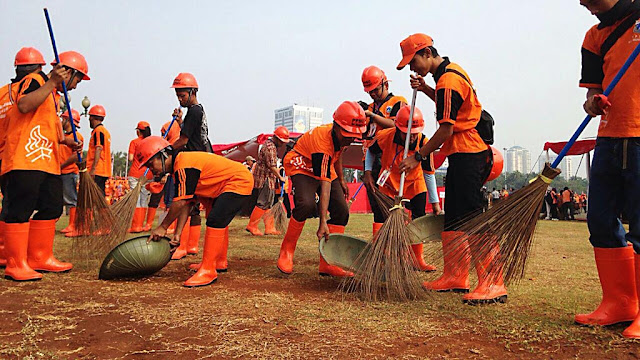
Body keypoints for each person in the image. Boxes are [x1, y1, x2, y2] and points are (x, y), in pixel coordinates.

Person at [397, 33, 506, 304]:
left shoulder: (448, 80)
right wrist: (425, 89)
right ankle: (456, 276)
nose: (412, 68)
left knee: (472, 217)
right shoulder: (448, 74)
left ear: (427, 53)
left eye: (413, 62)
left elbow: (445, 129)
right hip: (461, 155)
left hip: (470, 154)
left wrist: (419, 156)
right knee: (455, 218)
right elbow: (450, 107)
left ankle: (494, 283)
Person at [575, 0, 640, 338]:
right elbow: (591, 95)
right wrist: (594, 103)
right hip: (609, 137)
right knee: (600, 219)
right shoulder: (593, 36)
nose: (583, 4)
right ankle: (620, 302)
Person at [0, 51, 87, 281]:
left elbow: (46, 125)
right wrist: (51, 81)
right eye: (77, 80)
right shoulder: (36, 80)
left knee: (52, 206)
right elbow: (24, 105)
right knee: (19, 209)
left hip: (46, 161)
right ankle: (15, 264)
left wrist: (67, 140)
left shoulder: (52, 95)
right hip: (24, 158)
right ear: (67, 72)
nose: (76, 86)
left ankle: (40, 257)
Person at [141, 136, 253, 287]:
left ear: (163, 155)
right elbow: (187, 203)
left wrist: (163, 227)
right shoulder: (179, 168)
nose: (151, 168)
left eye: (151, 163)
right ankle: (218, 262)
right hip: (228, 183)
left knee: (216, 219)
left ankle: (208, 270)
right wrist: (177, 235)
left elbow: (179, 202)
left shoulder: (183, 164)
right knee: (215, 218)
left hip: (238, 181)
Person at [277, 101, 367, 277]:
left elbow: (338, 155)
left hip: (326, 165)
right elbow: (324, 184)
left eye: (354, 135)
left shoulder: (342, 137)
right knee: (306, 204)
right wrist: (322, 222)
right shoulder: (322, 141)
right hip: (302, 164)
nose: (351, 138)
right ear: (337, 126)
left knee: (341, 210)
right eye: (348, 134)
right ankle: (286, 251)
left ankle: (328, 262)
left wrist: (341, 180)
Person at [364, 105, 436, 272]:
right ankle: (381, 258)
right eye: (406, 133)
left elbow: (429, 172)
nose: (411, 137)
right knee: (382, 218)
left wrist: (435, 203)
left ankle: (416, 259)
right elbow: (370, 152)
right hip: (389, 184)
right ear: (397, 128)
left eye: (414, 133)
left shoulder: (424, 143)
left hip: (415, 184)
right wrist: (367, 172)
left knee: (418, 220)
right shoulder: (385, 136)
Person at [0, 47, 49, 267]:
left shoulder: (4, 91)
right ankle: (12, 260)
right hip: (16, 152)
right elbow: (24, 107)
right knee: (16, 206)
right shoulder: (32, 85)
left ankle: (8, 255)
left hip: (9, 152)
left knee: (11, 203)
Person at [166, 73, 212, 259]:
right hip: (198, 159)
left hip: (193, 162)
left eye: (182, 95)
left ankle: (183, 245)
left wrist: (164, 149)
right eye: (177, 95)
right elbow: (191, 133)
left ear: (193, 92)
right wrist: (179, 121)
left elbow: (184, 140)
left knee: (184, 201)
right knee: (190, 204)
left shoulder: (194, 111)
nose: (179, 98)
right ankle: (187, 244)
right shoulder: (195, 111)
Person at [360, 66, 407, 232]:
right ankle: (381, 247)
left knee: (393, 207)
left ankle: (397, 243)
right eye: (369, 92)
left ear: (385, 84)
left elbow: (398, 125)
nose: (372, 94)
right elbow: (367, 140)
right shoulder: (369, 107)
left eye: (375, 90)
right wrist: (366, 171)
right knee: (377, 208)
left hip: (392, 161)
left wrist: (373, 116)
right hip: (372, 162)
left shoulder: (398, 102)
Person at [246, 126, 290, 236]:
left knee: (268, 204)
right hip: (265, 178)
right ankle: (252, 226)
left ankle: (269, 228)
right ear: (277, 138)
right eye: (282, 141)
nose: (283, 144)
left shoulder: (270, 145)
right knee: (263, 203)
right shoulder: (270, 147)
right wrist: (280, 177)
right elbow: (272, 166)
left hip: (268, 179)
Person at [58, 109, 84, 237]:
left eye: (63, 119)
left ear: (68, 121)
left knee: (71, 199)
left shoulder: (76, 137)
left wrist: (61, 166)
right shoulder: (63, 137)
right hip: (60, 171)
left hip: (68, 172)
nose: (61, 121)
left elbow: (76, 157)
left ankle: (73, 224)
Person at [127, 121, 152, 233]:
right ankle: (141, 225)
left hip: (135, 174)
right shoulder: (150, 143)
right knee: (143, 200)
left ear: (138, 131)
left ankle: (135, 226)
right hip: (147, 175)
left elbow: (131, 158)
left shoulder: (134, 142)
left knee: (135, 199)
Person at [86, 105, 111, 196]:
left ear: (92, 118)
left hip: (98, 170)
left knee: (95, 196)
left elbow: (98, 148)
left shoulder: (98, 131)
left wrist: (93, 168)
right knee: (100, 195)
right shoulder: (105, 132)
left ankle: (99, 210)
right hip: (104, 170)